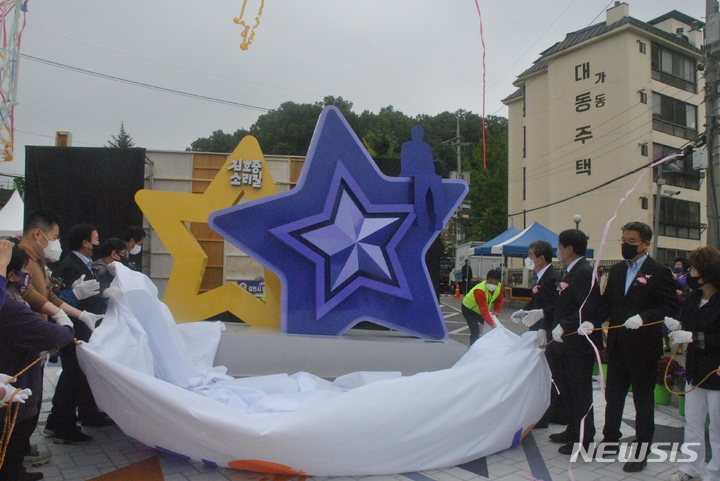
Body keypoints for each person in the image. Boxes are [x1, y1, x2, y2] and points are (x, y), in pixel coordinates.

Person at [592, 221, 678, 472]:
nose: (626, 245)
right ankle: (610, 440)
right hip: (618, 344)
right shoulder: (617, 270)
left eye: (631, 242)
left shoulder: (658, 271)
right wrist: (591, 321)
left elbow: (670, 306)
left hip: (644, 347)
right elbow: (608, 304)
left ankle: (641, 451)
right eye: (623, 241)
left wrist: (644, 318)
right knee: (614, 396)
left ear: (645, 243)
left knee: (642, 400)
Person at [0, 242, 76, 481]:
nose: (29, 278)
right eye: (26, 272)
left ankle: (16, 471)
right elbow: (56, 335)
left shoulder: (12, 300)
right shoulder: (10, 307)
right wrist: (65, 325)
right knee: (12, 442)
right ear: (10, 274)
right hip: (14, 386)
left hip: (14, 377)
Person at [45, 224, 113, 445]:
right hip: (74, 328)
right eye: (95, 239)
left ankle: (87, 413)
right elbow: (60, 298)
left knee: (83, 374)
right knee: (72, 374)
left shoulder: (83, 264)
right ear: (85, 242)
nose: (97, 242)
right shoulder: (70, 266)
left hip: (86, 327)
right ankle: (61, 424)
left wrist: (105, 294)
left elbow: (92, 291)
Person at [544, 229, 602, 455]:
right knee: (566, 388)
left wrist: (565, 325)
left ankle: (585, 437)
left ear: (569, 248)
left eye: (559, 246)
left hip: (577, 344)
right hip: (562, 343)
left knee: (579, 391)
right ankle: (573, 428)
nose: (557, 250)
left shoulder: (584, 272)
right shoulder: (570, 271)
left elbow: (587, 307)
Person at [665, 247, 720, 481]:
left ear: (708, 272)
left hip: (716, 372)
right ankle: (691, 467)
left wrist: (693, 337)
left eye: (694, 269)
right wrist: (678, 326)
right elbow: (687, 321)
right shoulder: (692, 297)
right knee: (693, 422)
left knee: (717, 427)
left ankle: (715, 472)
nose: (690, 274)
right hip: (695, 369)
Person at [511, 239, 564, 428]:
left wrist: (544, 327)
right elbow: (536, 302)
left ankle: (546, 414)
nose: (528, 259)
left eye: (530, 255)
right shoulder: (541, 276)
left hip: (545, 331)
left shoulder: (552, 278)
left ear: (541, 258)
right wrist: (524, 311)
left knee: (546, 373)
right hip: (536, 327)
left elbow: (553, 306)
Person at [461, 269, 503, 345]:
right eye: (490, 282)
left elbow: (499, 300)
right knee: (475, 331)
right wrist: (492, 324)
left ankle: (491, 347)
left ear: (498, 282)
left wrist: (497, 311)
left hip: (482, 310)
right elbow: (484, 311)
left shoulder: (499, 287)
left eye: (495, 283)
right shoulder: (479, 290)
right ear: (486, 280)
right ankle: (473, 351)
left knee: (493, 326)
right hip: (469, 309)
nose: (493, 285)